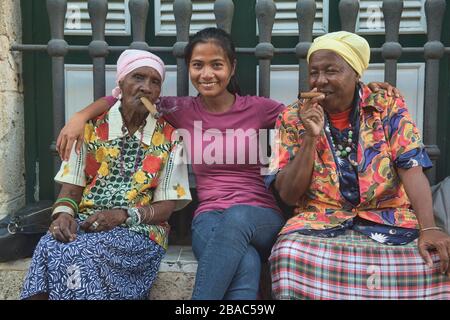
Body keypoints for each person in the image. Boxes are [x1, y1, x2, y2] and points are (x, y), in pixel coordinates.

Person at [55, 28, 399, 300]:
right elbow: (123, 92)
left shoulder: (261, 108)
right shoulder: (181, 109)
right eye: (198, 65)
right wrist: (80, 117)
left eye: (216, 64)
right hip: (209, 217)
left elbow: (304, 111)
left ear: (231, 67)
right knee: (246, 263)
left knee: (237, 219)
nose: (207, 73)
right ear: (188, 69)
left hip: (259, 214)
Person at [268, 31, 450, 300]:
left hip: (389, 218)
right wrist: (310, 137)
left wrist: (429, 228)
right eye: (314, 72)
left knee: (436, 261)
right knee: (287, 254)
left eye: (332, 71)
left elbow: (410, 166)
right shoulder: (292, 116)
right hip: (320, 220)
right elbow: (287, 194)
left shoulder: (386, 105)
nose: (320, 81)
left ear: (355, 74)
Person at [20, 50, 191, 300]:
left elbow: (165, 207)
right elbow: (70, 191)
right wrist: (62, 215)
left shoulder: (171, 137)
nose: (146, 87)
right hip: (88, 224)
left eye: (155, 82)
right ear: (120, 83)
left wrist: (123, 216)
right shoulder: (89, 128)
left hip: (141, 231)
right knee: (49, 244)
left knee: (79, 253)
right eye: (138, 78)